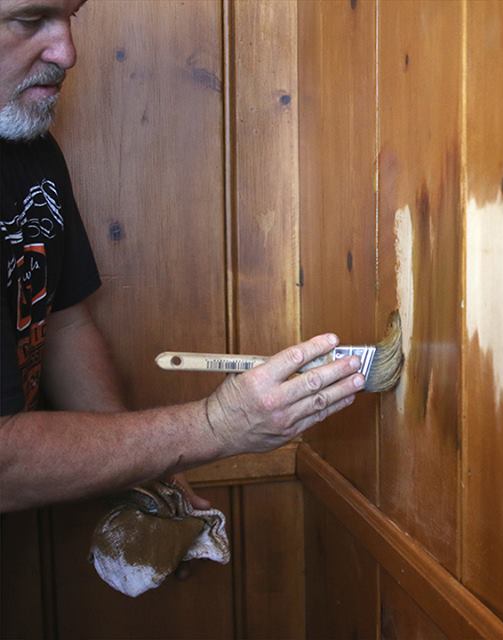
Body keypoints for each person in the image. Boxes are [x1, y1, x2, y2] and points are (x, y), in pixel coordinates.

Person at [0, 0, 363, 513]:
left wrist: (143, 473)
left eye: (71, 17)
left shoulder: (29, 147)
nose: (67, 52)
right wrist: (215, 425)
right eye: (30, 20)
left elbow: (62, 323)